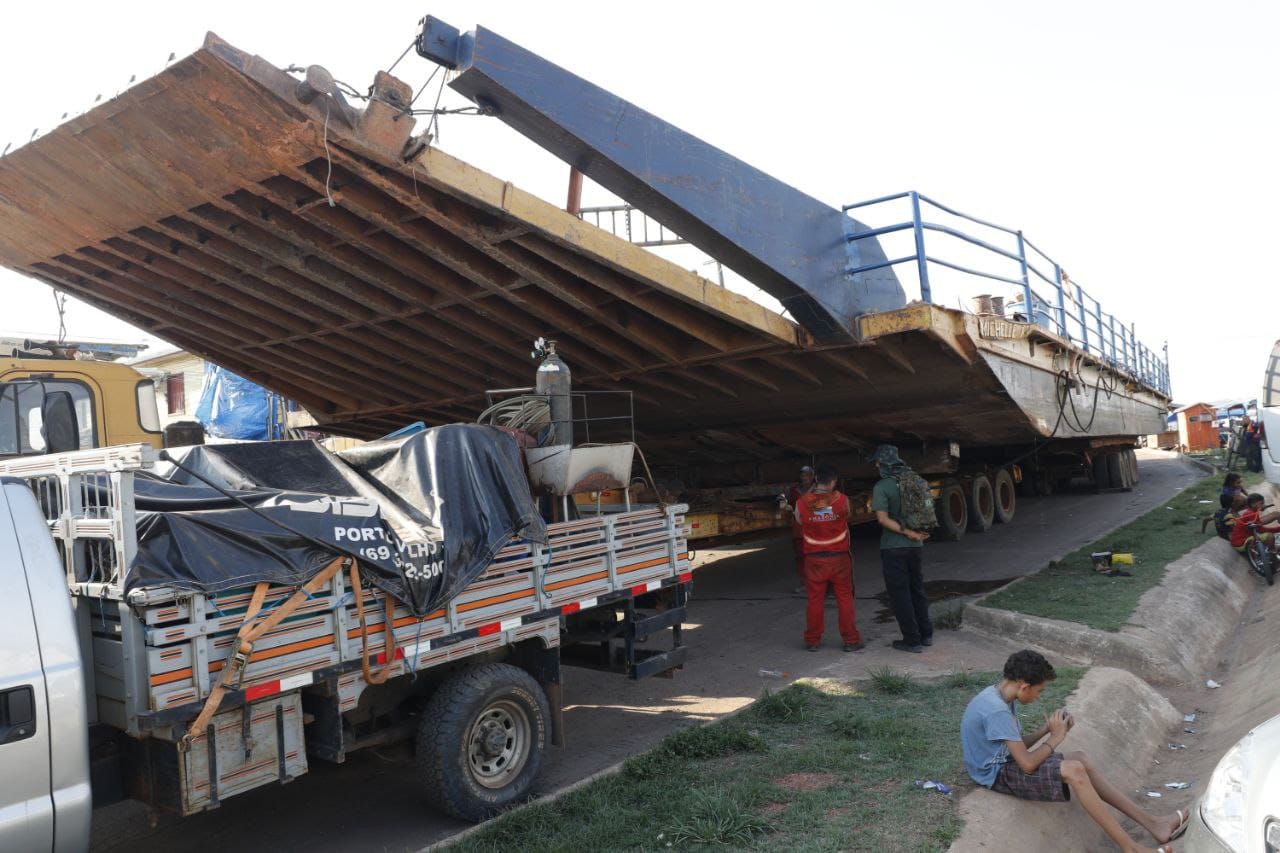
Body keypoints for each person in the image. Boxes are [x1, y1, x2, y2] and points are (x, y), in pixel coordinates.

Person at [961, 650, 1189, 852]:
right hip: (996, 774)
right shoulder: (997, 711)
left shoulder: (1000, 695)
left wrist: (1046, 730)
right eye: (1039, 691)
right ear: (1024, 686)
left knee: (1081, 759)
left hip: (1005, 762)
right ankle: (1130, 847)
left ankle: (1153, 823)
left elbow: (1014, 743)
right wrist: (1056, 737)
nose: (1039, 696)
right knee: (1075, 770)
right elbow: (1027, 764)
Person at [868, 444, 932, 653]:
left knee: (900, 594)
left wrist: (906, 532)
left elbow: (883, 519)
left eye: (877, 462)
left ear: (882, 463)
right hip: (916, 546)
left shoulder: (882, 486)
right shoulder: (915, 480)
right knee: (917, 589)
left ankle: (911, 640)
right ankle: (926, 635)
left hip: (894, 547)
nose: (876, 465)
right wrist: (916, 533)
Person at [794, 463, 862, 652]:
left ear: (815, 479)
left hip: (814, 559)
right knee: (845, 598)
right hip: (839, 558)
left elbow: (799, 521)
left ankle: (812, 641)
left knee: (815, 600)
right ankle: (851, 640)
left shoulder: (801, 502)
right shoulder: (842, 500)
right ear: (833, 481)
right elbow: (846, 516)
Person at [779, 465, 815, 593]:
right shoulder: (794, 490)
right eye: (802, 475)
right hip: (799, 529)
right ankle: (804, 582)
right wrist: (783, 501)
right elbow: (782, 495)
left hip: (815, 530)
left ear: (812, 477)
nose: (804, 478)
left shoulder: (818, 490)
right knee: (801, 557)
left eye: (807, 475)